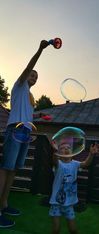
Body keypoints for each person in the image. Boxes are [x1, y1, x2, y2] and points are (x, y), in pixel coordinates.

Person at [0, 40, 50, 228]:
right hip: (15, 129)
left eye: (36, 77)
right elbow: (30, 65)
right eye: (32, 74)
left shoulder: (29, 96)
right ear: (25, 75)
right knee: (5, 168)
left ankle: (4, 204)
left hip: (26, 132)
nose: (34, 77)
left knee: (13, 169)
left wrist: (39, 115)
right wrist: (40, 50)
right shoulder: (19, 85)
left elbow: (26, 113)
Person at [49, 141, 99, 234]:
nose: (65, 149)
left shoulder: (75, 164)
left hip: (69, 203)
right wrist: (54, 151)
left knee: (73, 230)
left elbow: (86, 164)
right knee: (56, 229)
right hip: (56, 202)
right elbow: (54, 160)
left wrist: (91, 154)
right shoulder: (58, 164)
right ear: (59, 153)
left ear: (72, 152)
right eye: (62, 148)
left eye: (68, 147)